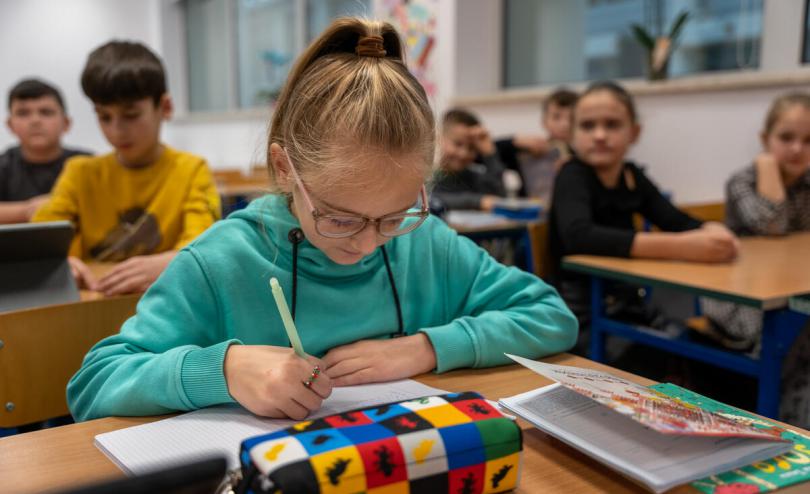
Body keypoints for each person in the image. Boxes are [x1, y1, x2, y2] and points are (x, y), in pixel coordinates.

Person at [67, 18, 578, 422]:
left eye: (395, 215)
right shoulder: (219, 262)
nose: (369, 244)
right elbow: (93, 386)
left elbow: (552, 317)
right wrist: (222, 369)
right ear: (286, 169)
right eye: (340, 219)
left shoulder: (427, 246)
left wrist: (424, 348)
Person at [33, 41, 220, 296]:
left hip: (165, 302)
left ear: (164, 107)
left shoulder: (191, 170)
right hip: (93, 304)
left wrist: (176, 261)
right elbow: (40, 242)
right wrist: (60, 262)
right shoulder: (79, 173)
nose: (116, 130)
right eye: (104, 117)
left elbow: (204, 245)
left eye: (130, 115)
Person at [549, 81, 738, 330]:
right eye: (587, 126)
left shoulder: (631, 175)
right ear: (572, 135)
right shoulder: (572, 175)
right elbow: (579, 236)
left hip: (625, 301)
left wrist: (711, 229)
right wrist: (681, 247)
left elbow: (674, 220)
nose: (600, 135)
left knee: (683, 341)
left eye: (612, 125)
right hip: (579, 312)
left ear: (634, 132)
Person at [702, 92, 810, 428]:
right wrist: (767, 167)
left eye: (808, 140)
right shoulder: (743, 181)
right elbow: (772, 225)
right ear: (765, 140)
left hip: (788, 293)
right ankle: (786, 427)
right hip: (741, 301)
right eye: (786, 138)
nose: (796, 149)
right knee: (797, 338)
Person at [0, 79, 90, 224]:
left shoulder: (88, 165)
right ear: (10, 125)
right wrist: (27, 210)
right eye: (23, 113)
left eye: (46, 112)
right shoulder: (4, 165)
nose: (35, 120)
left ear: (66, 123)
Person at [496, 87, 578, 202]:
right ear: (544, 121)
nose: (565, 124)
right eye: (556, 117)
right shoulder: (527, 151)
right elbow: (482, 154)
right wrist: (514, 142)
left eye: (572, 118)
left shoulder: (583, 157)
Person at [431, 108, 506, 211]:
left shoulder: (476, 177)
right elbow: (432, 200)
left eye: (472, 148)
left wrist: (489, 153)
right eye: (458, 144)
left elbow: (498, 198)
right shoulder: (428, 177)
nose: (464, 153)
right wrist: (478, 201)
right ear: (439, 139)